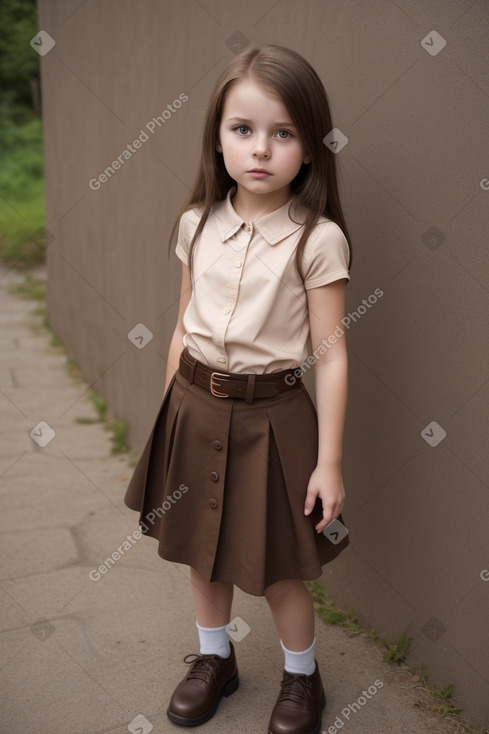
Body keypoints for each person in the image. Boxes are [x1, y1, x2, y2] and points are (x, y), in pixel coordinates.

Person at [124, 43, 353, 734]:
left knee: (280, 567)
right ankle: (213, 659)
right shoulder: (197, 223)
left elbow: (332, 355)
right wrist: (168, 418)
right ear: (217, 137)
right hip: (193, 408)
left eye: (282, 133)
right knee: (201, 548)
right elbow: (181, 328)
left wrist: (329, 461)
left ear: (309, 146)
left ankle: (300, 677)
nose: (260, 149)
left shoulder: (316, 239)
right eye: (242, 129)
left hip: (273, 417)